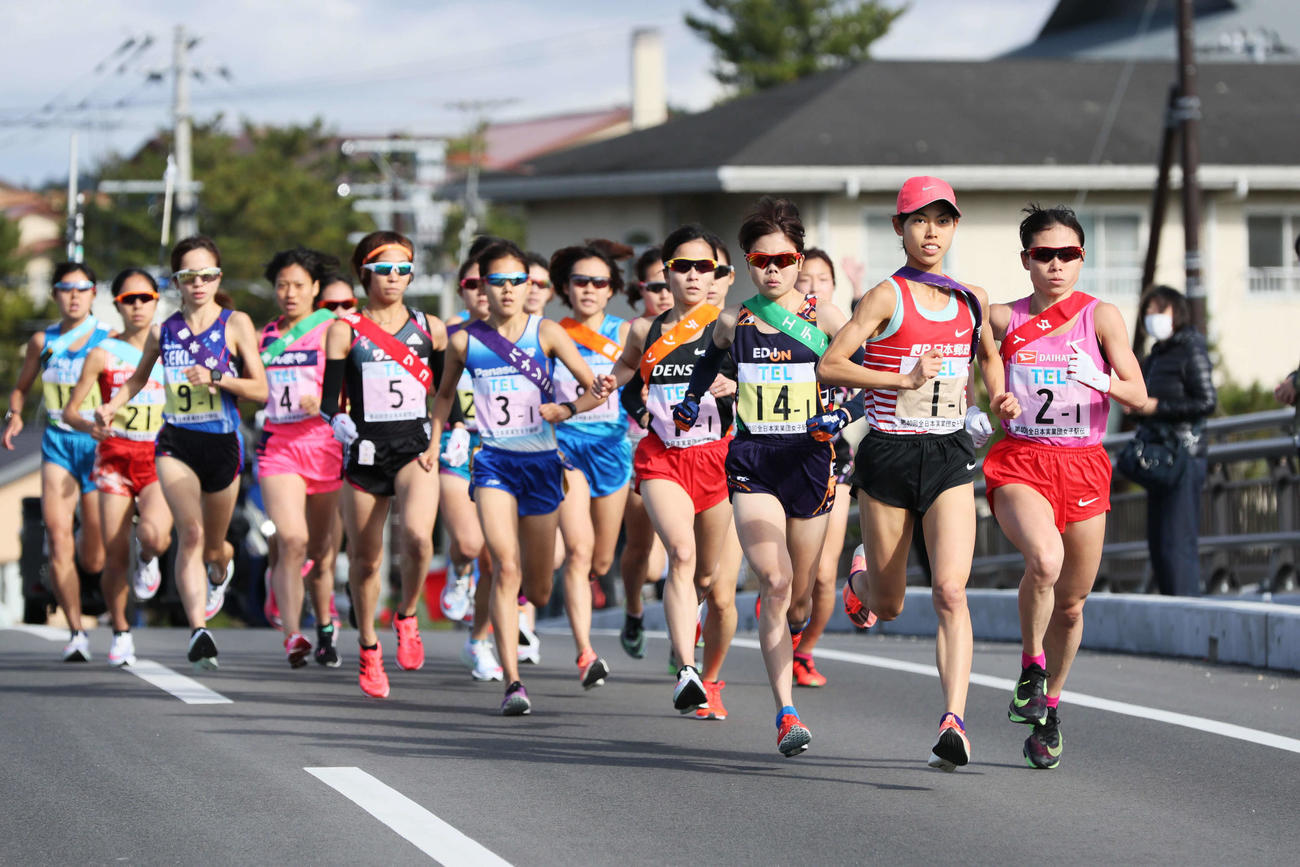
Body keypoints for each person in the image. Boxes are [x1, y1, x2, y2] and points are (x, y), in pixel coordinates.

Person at [818, 177, 1018, 771]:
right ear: (899, 228)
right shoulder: (886, 297)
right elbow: (831, 366)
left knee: (952, 590)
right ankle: (858, 584)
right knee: (892, 603)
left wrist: (1000, 396)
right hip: (889, 454)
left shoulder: (971, 299)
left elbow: (988, 356)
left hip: (950, 454)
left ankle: (953, 719)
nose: (931, 232)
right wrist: (901, 381)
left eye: (942, 220)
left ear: (955, 228)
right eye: (918, 220)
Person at [674, 199, 852, 755]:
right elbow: (712, 360)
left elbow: (867, 378)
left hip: (812, 460)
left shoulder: (825, 318)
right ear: (748, 264)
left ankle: (796, 630)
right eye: (760, 261)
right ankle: (786, 713)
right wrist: (691, 396)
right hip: (753, 460)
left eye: (783, 259)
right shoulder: (735, 319)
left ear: (799, 259)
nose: (772, 270)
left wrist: (841, 413)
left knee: (799, 597)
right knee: (774, 582)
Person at [983, 204, 1147, 769]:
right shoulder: (1003, 318)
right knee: (1045, 562)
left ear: (1082, 258)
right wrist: (996, 395)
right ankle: (1031, 666)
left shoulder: (1101, 317)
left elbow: (1139, 394)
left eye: (1068, 255)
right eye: (1044, 255)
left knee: (1073, 605)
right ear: (1026, 260)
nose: (1056, 265)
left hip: (1083, 462)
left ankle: (1050, 707)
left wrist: (1097, 377)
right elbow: (965, 340)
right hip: (1022, 460)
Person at [431, 238, 615, 715]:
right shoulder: (464, 341)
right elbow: (445, 397)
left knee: (538, 587)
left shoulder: (547, 332)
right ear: (482, 286)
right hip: (493, 461)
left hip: (542, 465)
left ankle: (520, 625)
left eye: (519, 281)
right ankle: (513, 682)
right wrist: (435, 441)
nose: (510, 290)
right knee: (503, 565)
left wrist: (568, 407)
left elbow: (595, 392)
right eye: (498, 281)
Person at [97, 236, 268, 670]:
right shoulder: (164, 330)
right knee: (189, 534)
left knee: (215, 547)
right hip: (176, 443)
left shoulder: (236, 324)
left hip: (223, 445)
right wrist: (112, 405)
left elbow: (261, 390)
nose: (198, 283)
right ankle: (199, 630)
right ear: (176, 281)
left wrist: (218, 378)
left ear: (218, 278)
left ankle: (219, 570)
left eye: (207, 275)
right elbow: (136, 380)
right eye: (189, 276)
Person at [612, 224, 737, 720]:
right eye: (681, 266)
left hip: (718, 458)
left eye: (702, 267)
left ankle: (704, 663)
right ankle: (686, 668)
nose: (691, 275)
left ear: (715, 275)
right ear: (666, 272)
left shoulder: (724, 325)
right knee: (680, 554)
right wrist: (620, 394)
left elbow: (759, 365)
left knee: (709, 577)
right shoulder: (646, 331)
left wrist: (735, 382)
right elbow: (624, 378)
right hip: (662, 457)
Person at [319, 231, 447, 699]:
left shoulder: (430, 327)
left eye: (403, 269)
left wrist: (449, 431)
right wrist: (337, 421)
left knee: (417, 537)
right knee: (366, 559)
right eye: (384, 269)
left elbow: (448, 394)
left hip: (415, 446)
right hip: (365, 449)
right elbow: (329, 398)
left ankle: (407, 615)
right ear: (365, 273)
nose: (394, 278)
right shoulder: (345, 328)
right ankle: (369, 647)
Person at [59, 268, 169, 665]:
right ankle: (121, 631)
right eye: (128, 300)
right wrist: (93, 425)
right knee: (113, 551)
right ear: (118, 305)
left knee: (155, 537)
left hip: (160, 456)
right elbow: (70, 411)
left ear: (157, 301)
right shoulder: (102, 352)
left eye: (145, 298)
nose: (138, 306)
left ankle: (149, 558)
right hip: (115, 458)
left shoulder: (170, 345)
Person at [5, 261, 110, 660]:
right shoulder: (42, 341)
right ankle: (76, 633)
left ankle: (90, 563)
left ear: (93, 294)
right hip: (57, 446)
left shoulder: (108, 338)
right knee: (56, 535)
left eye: (82, 288)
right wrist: (13, 415)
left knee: (94, 552)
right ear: (55, 295)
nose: (74, 296)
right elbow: (21, 389)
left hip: (97, 446)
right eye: (66, 289)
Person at [256, 247, 348, 667]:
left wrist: (330, 399)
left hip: (326, 445)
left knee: (323, 549)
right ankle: (293, 635)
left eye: (298, 285)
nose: (289, 293)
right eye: (281, 285)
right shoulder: (265, 338)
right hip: (280, 447)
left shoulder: (334, 329)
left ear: (315, 288)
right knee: (292, 540)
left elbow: (358, 386)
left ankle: (325, 625)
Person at [549, 242, 631, 688]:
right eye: (581, 281)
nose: (589, 289)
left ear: (611, 289)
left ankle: (597, 580)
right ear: (566, 287)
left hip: (613, 449)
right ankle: (585, 652)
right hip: (566, 447)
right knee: (578, 552)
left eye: (599, 282)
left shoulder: (628, 332)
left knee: (602, 557)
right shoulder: (550, 332)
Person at [791, 248, 861, 688]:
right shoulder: (770, 331)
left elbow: (870, 382)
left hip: (835, 459)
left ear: (833, 286)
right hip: (778, 459)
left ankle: (804, 648)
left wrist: (844, 415)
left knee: (823, 572)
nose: (813, 285)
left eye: (822, 278)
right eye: (805, 279)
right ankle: (785, 620)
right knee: (787, 570)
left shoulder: (843, 334)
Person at [440, 255, 504, 682]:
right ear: (462, 288)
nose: (483, 291)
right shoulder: (446, 337)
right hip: (456, 449)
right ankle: (457, 571)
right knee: (467, 545)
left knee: (495, 557)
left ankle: (479, 640)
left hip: (506, 452)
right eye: (473, 282)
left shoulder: (530, 334)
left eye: (492, 281)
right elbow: (430, 392)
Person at [1129, 285, 1216, 595]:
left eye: (1159, 311)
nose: (1153, 318)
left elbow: (1206, 402)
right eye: (1148, 312)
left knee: (1178, 543)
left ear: (1176, 313)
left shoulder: (1191, 347)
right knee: (1160, 544)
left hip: (1184, 454)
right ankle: (1173, 610)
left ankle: (1188, 613)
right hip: (1159, 456)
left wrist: (1156, 407)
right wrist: (1138, 408)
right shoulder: (1156, 355)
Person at [618, 246, 671, 658]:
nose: (666, 293)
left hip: (697, 448)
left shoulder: (707, 327)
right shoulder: (637, 331)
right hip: (644, 446)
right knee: (644, 555)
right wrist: (645, 412)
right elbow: (625, 388)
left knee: (684, 553)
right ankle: (634, 609)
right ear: (642, 291)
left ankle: (684, 641)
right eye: (656, 286)